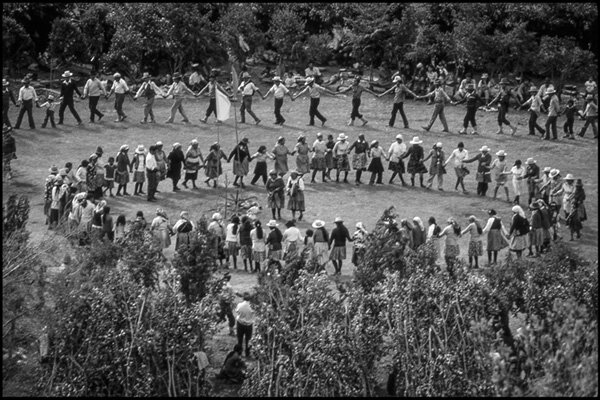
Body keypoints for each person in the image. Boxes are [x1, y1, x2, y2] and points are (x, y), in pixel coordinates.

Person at [235, 292, 255, 358]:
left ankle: (239, 353)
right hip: (249, 325)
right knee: (248, 340)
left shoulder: (239, 305)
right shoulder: (252, 306)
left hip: (240, 323)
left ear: (243, 298)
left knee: (240, 339)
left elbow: (237, 311)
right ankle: (247, 353)